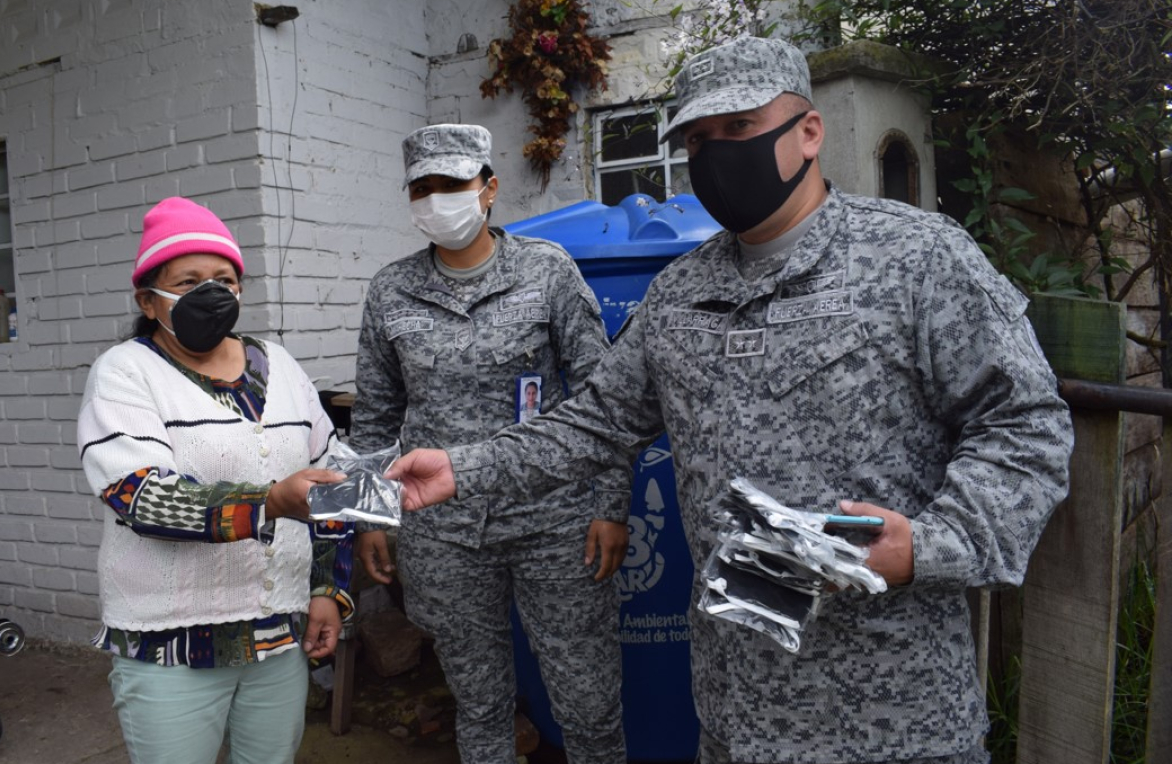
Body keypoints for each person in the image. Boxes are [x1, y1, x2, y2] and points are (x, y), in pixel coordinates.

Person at [385, 37, 1074, 764]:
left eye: (739, 127)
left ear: (809, 132)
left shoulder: (916, 258)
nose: (715, 155)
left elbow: (1026, 426)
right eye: (697, 140)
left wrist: (930, 546)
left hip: (893, 715)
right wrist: (465, 468)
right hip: (734, 713)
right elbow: (595, 423)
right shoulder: (680, 293)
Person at [350, 124, 630, 764]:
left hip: (554, 520)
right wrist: (368, 519)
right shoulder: (391, 290)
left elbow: (604, 398)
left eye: (452, 184)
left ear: (489, 188)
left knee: (588, 701)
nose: (436, 199)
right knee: (478, 704)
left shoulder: (546, 270)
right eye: (422, 187)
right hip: (444, 531)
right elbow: (375, 415)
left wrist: (612, 505)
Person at [76, 196, 355, 764]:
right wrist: (271, 501)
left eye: (224, 279)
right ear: (148, 300)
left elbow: (332, 476)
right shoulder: (125, 373)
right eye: (188, 281)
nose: (212, 291)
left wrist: (328, 590)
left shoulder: (278, 366)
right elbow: (142, 497)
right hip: (169, 646)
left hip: (276, 637)